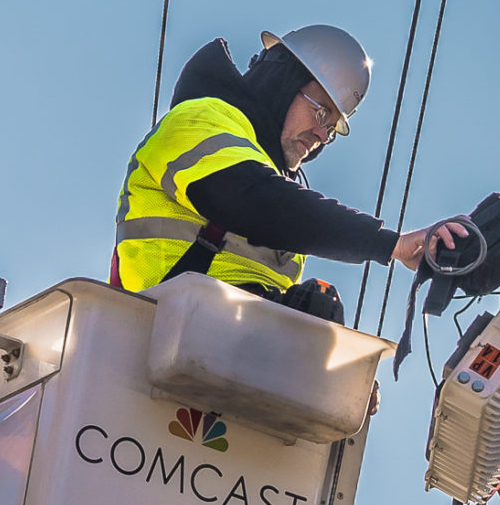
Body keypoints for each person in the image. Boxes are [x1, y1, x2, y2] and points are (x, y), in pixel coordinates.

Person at [110, 25, 465, 326]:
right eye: (320, 113)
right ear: (282, 82)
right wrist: (389, 243)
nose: (321, 135)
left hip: (228, 354)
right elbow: (250, 199)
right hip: (159, 336)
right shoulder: (199, 119)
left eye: (332, 128)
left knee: (318, 308)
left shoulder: (280, 185)